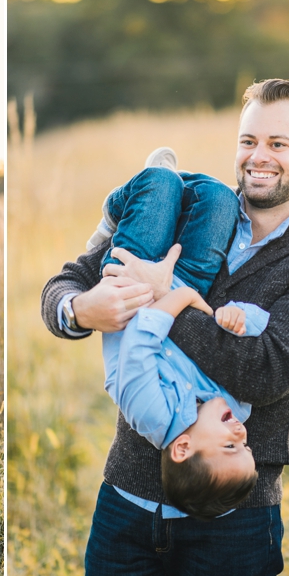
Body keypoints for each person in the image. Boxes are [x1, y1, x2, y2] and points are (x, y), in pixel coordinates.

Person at [41, 79, 289, 576]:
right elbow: (65, 283)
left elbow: (263, 374)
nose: (258, 157)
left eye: (279, 144)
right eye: (248, 140)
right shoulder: (199, 210)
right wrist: (78, 309)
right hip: (129, 503)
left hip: (237, 518)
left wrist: (173, 296)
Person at [96, 149, 265, 518]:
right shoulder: (234, 407)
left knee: (159, 183)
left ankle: (115, 215)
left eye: (231, 448)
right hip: (184, 284)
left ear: (183, 448)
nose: (242, 435)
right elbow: (253, 335)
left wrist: (185, 298)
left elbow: (141, 338)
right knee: (220, 199)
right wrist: (237, 317)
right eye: (247, 448)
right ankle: (160, 200)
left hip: (130, 287)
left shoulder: (152, 416)